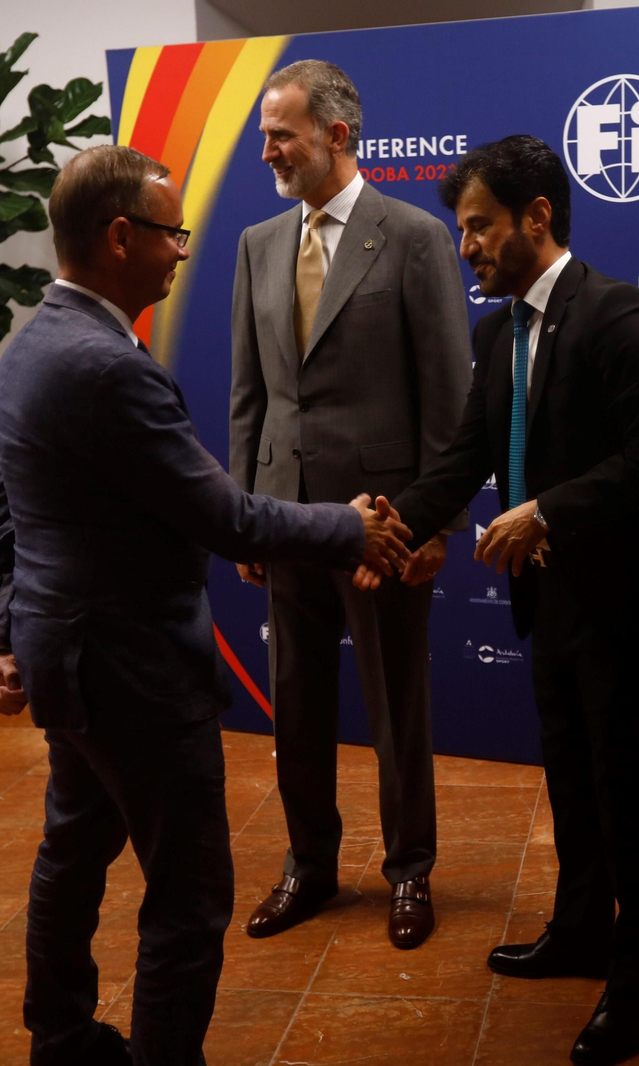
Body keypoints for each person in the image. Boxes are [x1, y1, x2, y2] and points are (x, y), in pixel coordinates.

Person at [0, 145, 413, 1066]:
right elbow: (223, 515)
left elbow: (5, 511)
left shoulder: (28, 349)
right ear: (120, 236)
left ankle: (57, 1040)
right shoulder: (107, 367)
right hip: (134, 674)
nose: (181, 252)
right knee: (189, 897)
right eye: (171, 233)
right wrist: (349, 528)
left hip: (68, 659)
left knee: (71, 852)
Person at [378, 135, 639, 1066]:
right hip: (544, 610)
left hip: (619, 608)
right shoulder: (497, 328)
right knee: (574, 788)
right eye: (462, 228)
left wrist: (547, 510)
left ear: (537, 218)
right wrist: (394, 526)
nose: (465, 246)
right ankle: (582, 934)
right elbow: (468, 451)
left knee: (631, 803)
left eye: (478, 227)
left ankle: (636, 988)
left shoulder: (616, 313)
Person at [229, 59, 471, 950]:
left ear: (336, 134)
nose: (267, 151)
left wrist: (433, 523)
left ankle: (410, 870)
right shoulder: (257, 244)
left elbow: (447, 392)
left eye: (280, 134)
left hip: (385, 530)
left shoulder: (411, 235)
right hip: (288, 519)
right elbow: (249, 395)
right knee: (296, 703)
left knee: (396, 704)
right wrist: (246, 511)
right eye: (262, 135)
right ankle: (310, 866)